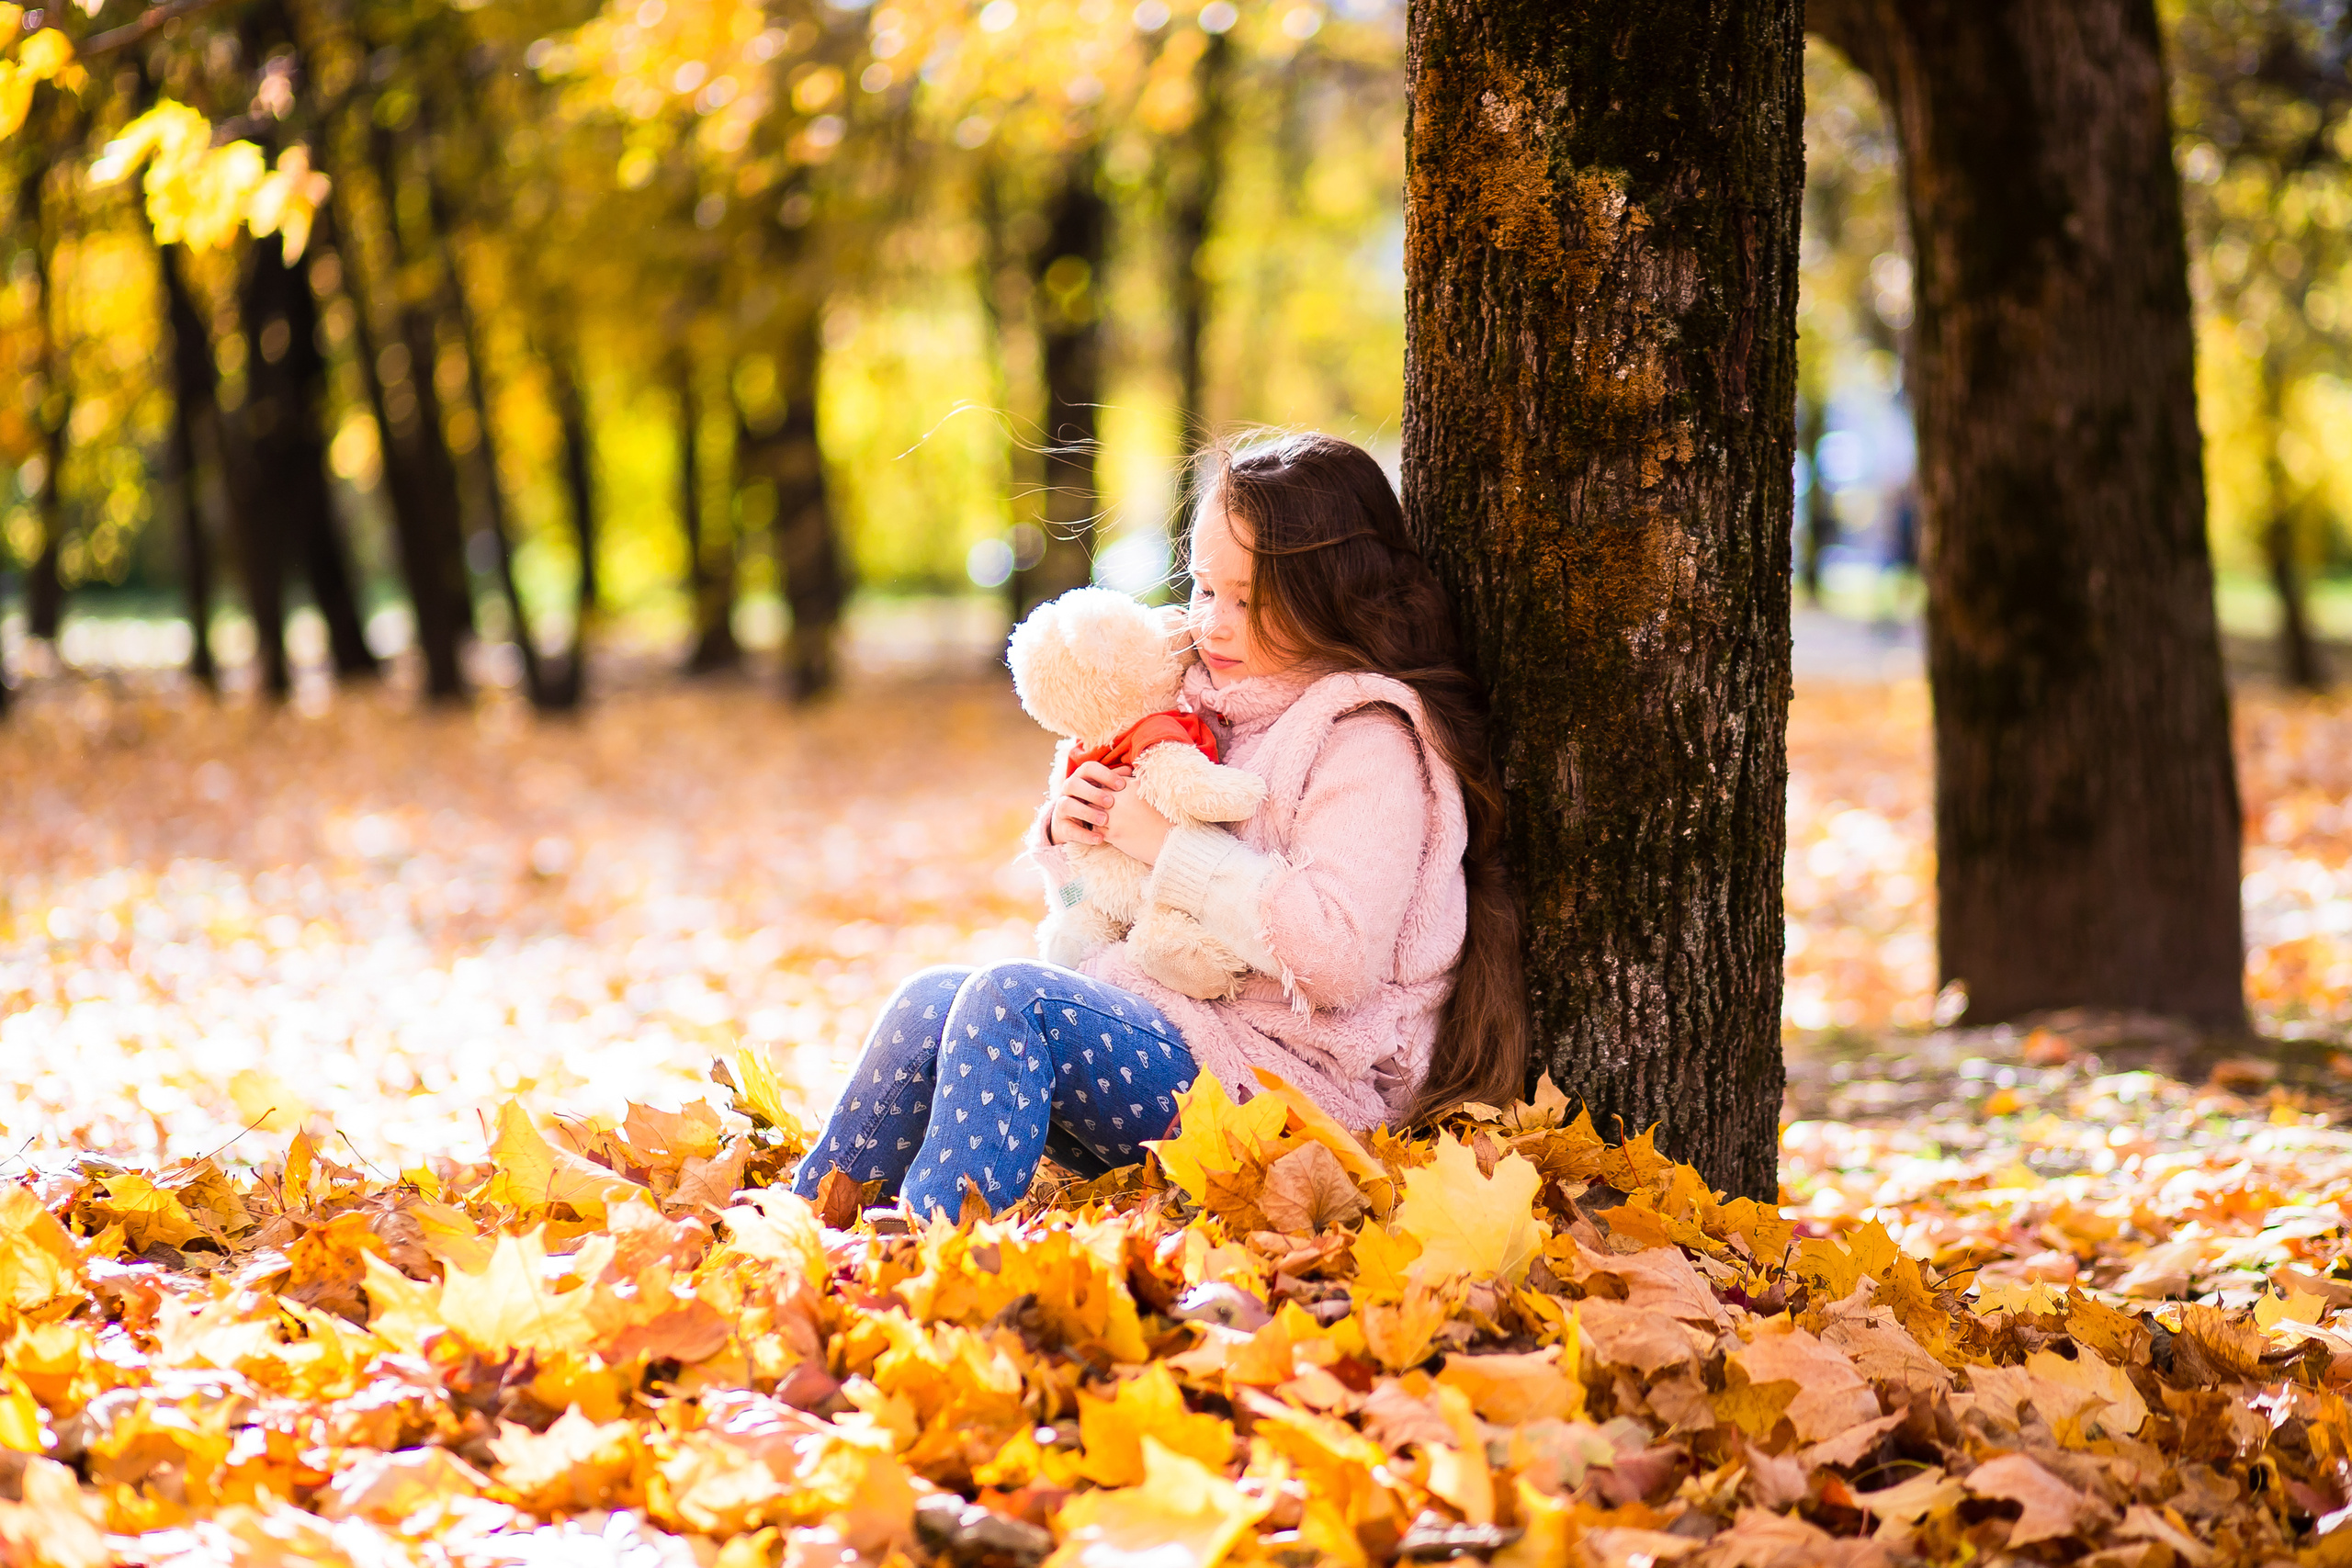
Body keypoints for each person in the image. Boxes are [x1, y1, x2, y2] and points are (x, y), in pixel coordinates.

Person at [790, 433, 1526, 1215]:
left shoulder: (1367, 742)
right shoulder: (1201, 708)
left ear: (1331, 594)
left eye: (1252, 600)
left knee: (1012, 1001)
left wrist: (1173, 848)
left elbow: (1338, 954)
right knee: (931, 1000)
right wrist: (1078, 849)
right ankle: (803, 1228)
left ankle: (936, 1251)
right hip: (1187, 1042)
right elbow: (1100, 925)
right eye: (1205, 589)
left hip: (1296, 1098)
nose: (1215, 623)